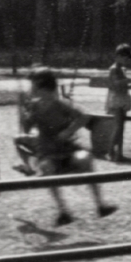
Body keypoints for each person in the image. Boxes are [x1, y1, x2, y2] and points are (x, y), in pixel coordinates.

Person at [19, 66, 117, 226]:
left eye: (33, 85)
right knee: (46, 167)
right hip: (49, 153)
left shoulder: (60, 104)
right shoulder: (34, 107)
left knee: (85, 158)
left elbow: (85, 116)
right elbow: (27, 129)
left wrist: (68, 131)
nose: (31, 88)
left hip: (68, 150)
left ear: (41, 86)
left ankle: (101, 205)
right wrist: (25, 116)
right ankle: (63, 212)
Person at [103, 43, 131, 161]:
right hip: (116, 100)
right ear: (118, 56)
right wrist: (129, 80)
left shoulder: (121, 69)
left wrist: (129, 84)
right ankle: (110, 151)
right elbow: (116, 83)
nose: (127, 60)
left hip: (121, 99)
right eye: (125, 58)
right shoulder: (114, 69)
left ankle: (119, 153)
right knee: (118, 126)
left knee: (121, 127)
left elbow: (122, 84)